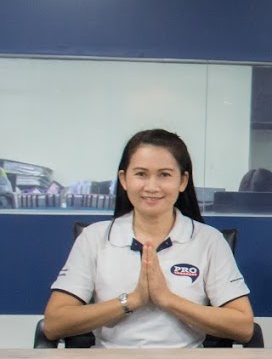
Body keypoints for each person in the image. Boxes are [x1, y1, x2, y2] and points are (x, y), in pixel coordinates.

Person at [43, 129, 255, 347]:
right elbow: (53, 323)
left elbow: (243, 327)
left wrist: (168, 300)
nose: (151, 187)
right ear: (124, 180)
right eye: (141, 174)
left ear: (182, 181)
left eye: (164, 174)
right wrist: (132, 300)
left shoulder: (209, 241)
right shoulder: (94, 238)